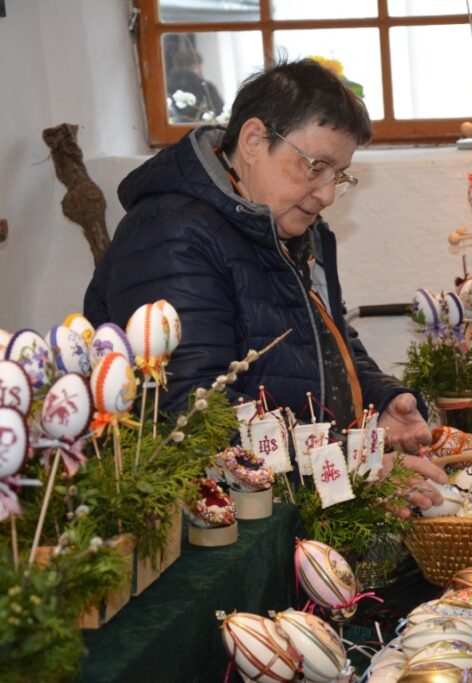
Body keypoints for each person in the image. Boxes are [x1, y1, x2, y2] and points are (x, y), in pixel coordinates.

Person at [85, 59, 442, 511]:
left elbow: (322, 334)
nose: (326, 194)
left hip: (295, 497)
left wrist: (380, 397)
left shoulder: (279, 224)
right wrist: (354, 463)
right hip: (225, 518)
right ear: (254, 140)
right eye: (315, 166)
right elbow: (193, 411)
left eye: (338, 175)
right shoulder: (171, 234)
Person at [166, 46, 225, 123]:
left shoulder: (166, 87)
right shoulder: (206, 88)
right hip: (202, 129)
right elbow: (220, 115)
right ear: (197, 66)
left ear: (176, 66)